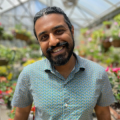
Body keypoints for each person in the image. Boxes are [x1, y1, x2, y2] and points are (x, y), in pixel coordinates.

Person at [12, 6, 115, 120]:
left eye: (59, 31)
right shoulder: (29, 74)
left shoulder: (97, 73)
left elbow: (103, 114)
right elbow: (21, 115)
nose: (53, 41)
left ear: (71, 31)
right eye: (44, 37)